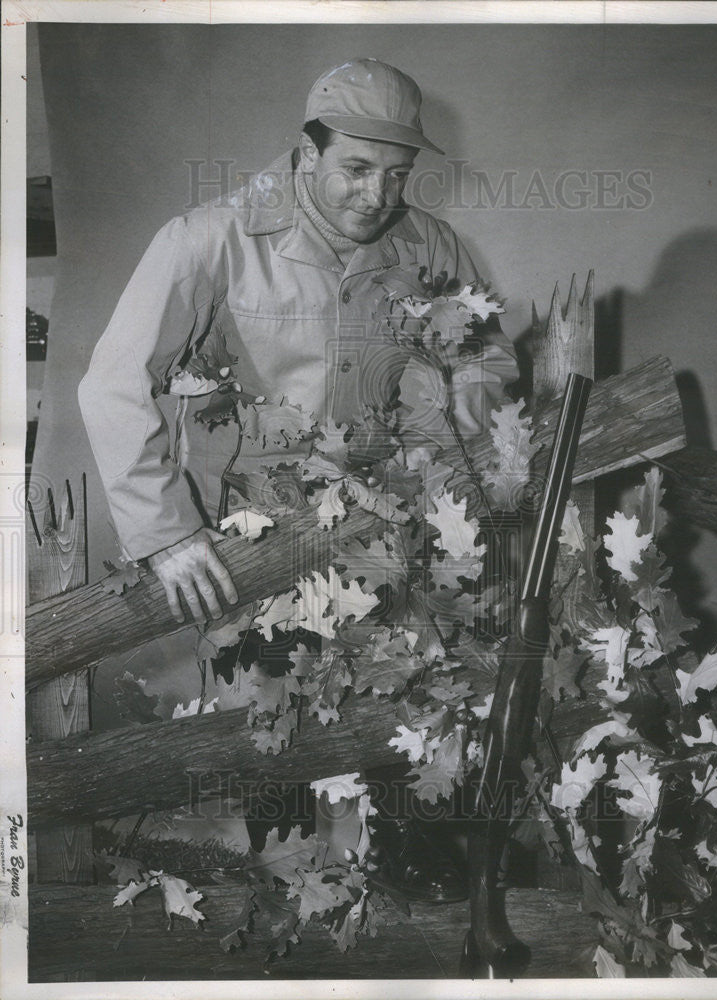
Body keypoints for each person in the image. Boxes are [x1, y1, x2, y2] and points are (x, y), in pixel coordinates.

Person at [79, 57, 518, 900]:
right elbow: (111, 382)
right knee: (274, 725)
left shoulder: (430, 244)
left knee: (405, 695)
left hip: (390, 528)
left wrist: (461, 395)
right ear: (305, 151)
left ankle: (403, 872)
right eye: (356, 169)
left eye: (396, 175)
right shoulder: (209, 238)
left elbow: (486, 356)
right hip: (259, 536)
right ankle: (285, 884)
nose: (376, 196)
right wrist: (167, 535)